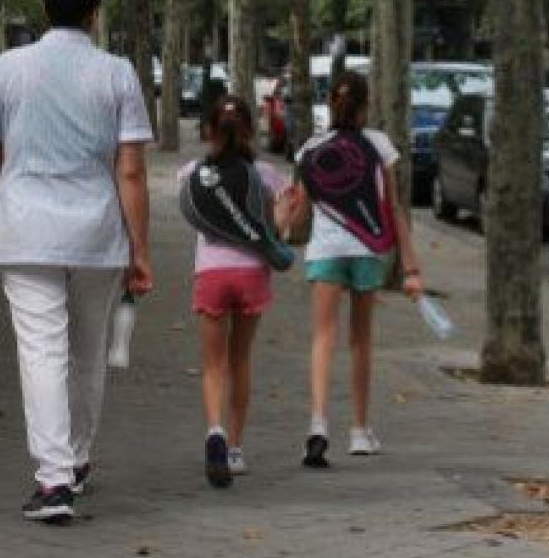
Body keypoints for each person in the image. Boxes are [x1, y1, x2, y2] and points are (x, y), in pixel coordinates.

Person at [0, 0, 154, 523]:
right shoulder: (118, 73)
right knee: (88, 350)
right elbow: (131, 172)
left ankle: (54, 483)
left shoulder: (9, 67)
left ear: (45, 10)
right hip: (96, 230)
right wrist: (140, 249)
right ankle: (75, 458)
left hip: (25, 227)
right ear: (94, 13)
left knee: (41, 350)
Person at [281, 71, 424, 468]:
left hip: (326, 250)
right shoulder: (379, 145)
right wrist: (410, 266)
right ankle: (359, 431)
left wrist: (278, 226)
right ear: (366, 106)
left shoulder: (312, 148)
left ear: (330, 104)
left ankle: (318, 424)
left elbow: (299, 213)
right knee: (361, 340)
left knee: (322, 337)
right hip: (367, 250)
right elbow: (392, 207)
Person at [178, 96, 290, 488]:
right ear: (250, 130)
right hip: (251, 274)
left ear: (208, 131)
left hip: (210, 272)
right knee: (240, 359)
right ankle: (236, 449)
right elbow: (276, 228)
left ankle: (215, 431)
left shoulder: (192, 172)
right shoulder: (265, 174)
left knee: (213, 364)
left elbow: (193, 213)